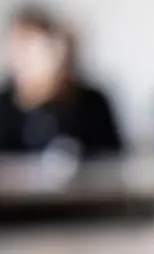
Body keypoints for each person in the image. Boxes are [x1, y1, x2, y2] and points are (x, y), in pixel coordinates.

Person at [0, 7, 123, 157]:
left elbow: (112, 159)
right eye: (19, 48)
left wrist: (60, 99)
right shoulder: (4, 104)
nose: (25, 59)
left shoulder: (92, 101)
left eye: (33, 48)